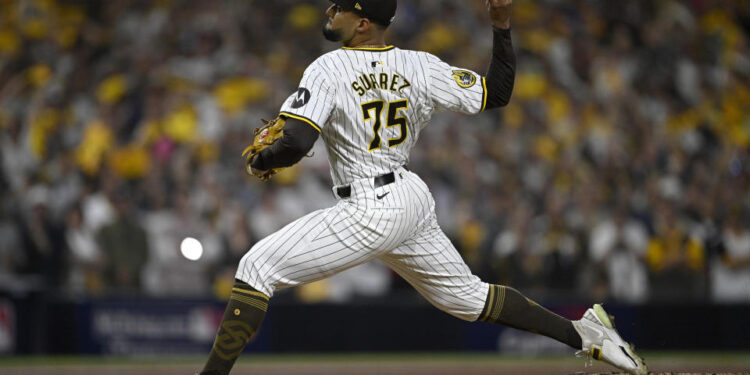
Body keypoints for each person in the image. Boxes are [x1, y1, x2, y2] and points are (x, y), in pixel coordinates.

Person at [198, 1, 647, 374]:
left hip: (369, 205)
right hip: (409, 197)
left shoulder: (328, 66)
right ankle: (584, 332)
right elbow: (498, 92)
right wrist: (501, 27)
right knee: (470, 299)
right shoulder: (421, 65)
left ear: (363, 23)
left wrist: (263, 159)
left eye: (341, 7)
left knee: (256, 267)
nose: (330, 10)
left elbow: (295, 143)